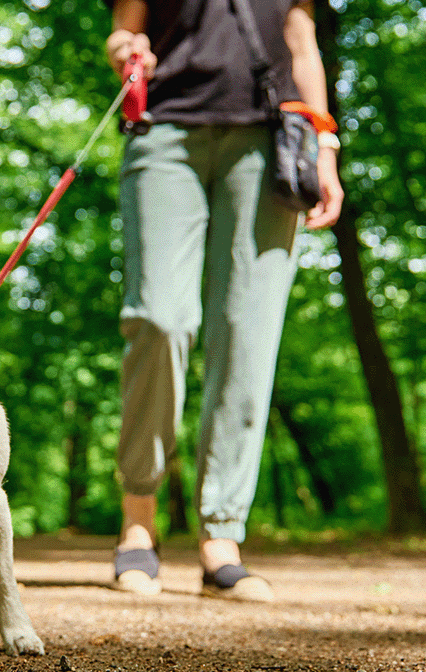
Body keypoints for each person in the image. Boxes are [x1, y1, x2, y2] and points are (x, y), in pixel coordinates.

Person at [104, 0, 344, 600]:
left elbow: (302, 44)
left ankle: (221, 537)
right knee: (159, 317)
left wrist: (328, 150)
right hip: (165, 131)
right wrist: (126, 52)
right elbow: (124, 29)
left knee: (248, 332)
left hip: (269, 139)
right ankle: (139, 519)